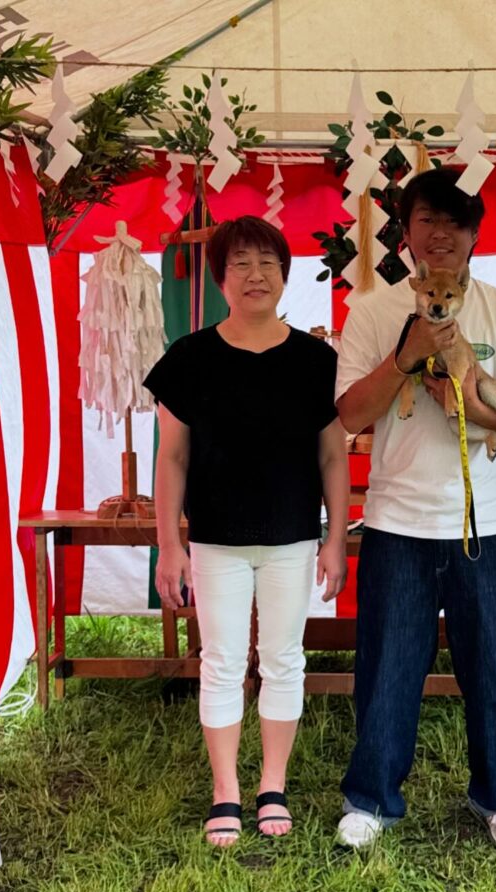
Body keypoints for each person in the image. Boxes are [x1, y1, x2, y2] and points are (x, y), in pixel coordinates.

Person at [333, 167, 496, 852]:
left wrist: (464, 398)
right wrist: (408, 358)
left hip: (488, 524)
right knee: (389, 667)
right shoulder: (370, 310)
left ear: (475, 235)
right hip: (398, 522)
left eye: (456, 224)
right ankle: (370, 797)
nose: (442, 236)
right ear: (407, 231)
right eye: (428, 220)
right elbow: (347, 413)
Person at [144, 216, 349, 846]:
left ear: (286, 275)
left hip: (292, 537)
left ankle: (273, 786)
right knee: (223, 662)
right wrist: (169, 543)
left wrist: (335, 539)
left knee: (285, 660)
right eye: (240, 264)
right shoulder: (189, 358)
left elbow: (332, 456)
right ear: (221, 279)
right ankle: (226, 790)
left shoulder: (318, 361)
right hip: (214, 540)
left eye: (267, 262)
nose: (255, 274)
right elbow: (171, 457)